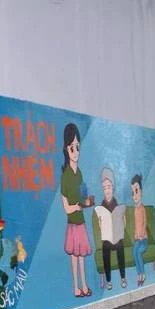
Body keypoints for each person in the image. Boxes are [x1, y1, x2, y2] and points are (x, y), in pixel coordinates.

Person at [60, 123, 93, 298]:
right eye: (72, 148)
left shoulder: (79, 173)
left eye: (77, 147)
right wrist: (78, 206)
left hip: (81, 221)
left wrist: (86, 201)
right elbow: (66, 207)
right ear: (67, 149)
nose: (76, 152)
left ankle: (84, 286)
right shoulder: (65, 175)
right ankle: (76, 288)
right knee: (74, 255)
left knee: (81, 256)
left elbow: (82, 195)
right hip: (73, 223)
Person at [98, 167, 126, 290]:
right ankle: (108, 280)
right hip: (107, 239)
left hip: (117, 237)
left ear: (113, 188)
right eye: (104, 188)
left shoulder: (116, 203)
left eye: (109, 187)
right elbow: (100, 223)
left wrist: (120, 228)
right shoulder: (102, 205)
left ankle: (123, 277)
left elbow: (123, 221)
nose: (107, 190)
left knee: (120, 246)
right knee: (105, 248)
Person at [131, 175, 149, 286]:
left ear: (141, 192)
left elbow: (144, 223)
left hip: (144, 240)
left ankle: (143, 274)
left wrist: (141, 234)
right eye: (133, 192)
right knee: (134, 252)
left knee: (138, 252)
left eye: (136, 191)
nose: (135, 195)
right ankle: (139, 274)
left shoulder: (142, 208)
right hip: (138, 239)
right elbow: (136, 225)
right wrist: (135, 235)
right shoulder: (135, 209)